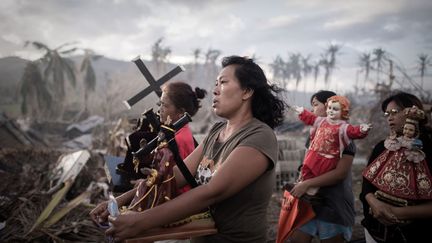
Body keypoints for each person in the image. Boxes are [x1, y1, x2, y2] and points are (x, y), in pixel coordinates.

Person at [90, 55, 286, 242]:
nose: (215, 90)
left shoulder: (260, 136)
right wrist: (120, 201)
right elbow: (176, 176)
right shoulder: (216, 131)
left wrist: (141, 222)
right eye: (216, 83)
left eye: (224, 83)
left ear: (247, 91)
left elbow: (212, 191)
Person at [286, 91, 359, 243]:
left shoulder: (344, 136)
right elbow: (307, 164)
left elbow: (340, 174)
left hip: (333, 204)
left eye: (315, 105)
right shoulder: (315, 133)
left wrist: (306, 184)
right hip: (308, 201)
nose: (312, 110)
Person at [360, 91, 432, 243]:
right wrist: (374, 203)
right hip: (374, 232)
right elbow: (366, 185)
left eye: (394, 112)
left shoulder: (427, 150)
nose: (389, 117)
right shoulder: (383, 147)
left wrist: (395, 212)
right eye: (387, 114)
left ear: (412, 112)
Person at [295, 95, 371, 195]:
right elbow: (311, 118)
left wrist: (362, 129)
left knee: (321, 171)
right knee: (307, 168)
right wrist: (302, 112)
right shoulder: (320, 121)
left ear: (343, 112)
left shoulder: (343, 128)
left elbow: (353, 131)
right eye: (329, 108)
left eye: (335, 109)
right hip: (315, 153)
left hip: (328, 157)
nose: (331, 111)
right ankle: (305, 183)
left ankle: (312, 186)